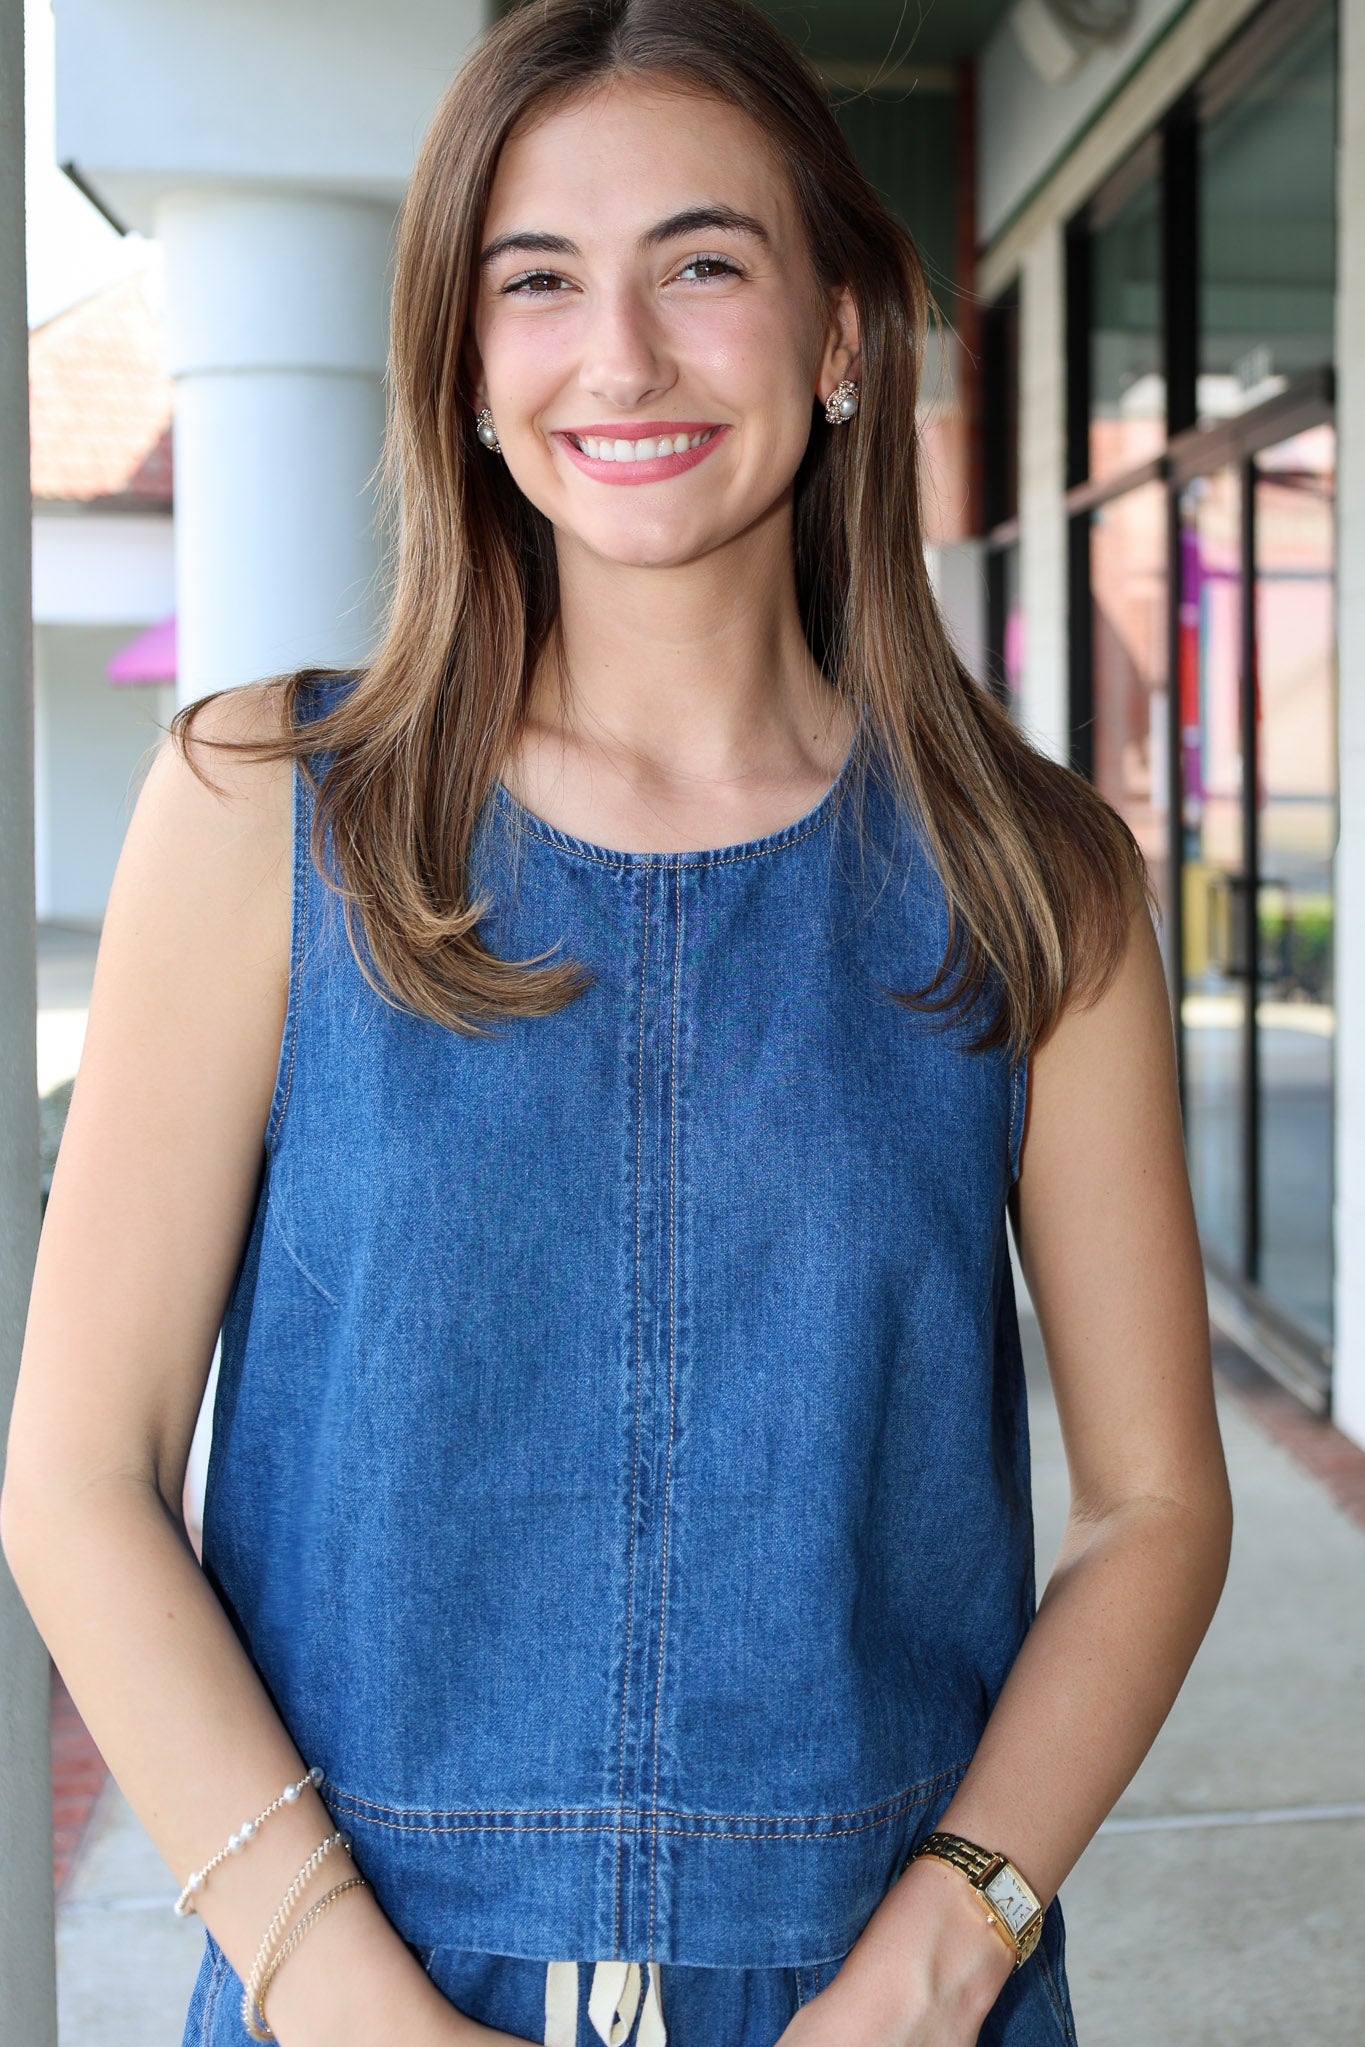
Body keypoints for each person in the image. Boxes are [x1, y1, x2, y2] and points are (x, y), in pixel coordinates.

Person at [0, 2, 1235, 2044]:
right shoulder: (262, 809)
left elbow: (1149, 1506)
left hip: (879, 1990)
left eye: (702, 264)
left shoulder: (1040, 879)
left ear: (838, 333)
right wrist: (332, 1986)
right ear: (466, 364)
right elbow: (76, 1470)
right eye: (536, 280)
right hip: (365, 1977)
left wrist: (941, 1959)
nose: (623, 355)